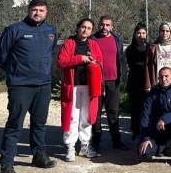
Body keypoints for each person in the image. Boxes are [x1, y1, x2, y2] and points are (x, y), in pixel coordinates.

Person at [0, 0, 58, 173]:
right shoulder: (14, 29)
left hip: (43, 85)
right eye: (34, 10)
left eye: (41, 10)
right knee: (15, 124)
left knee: (39, 123)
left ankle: (39, 156)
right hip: (20, 85)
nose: (37, 13)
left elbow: (51, 52)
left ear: (46, 12)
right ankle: (7, 163)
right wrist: (13, 71)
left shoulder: (51, 31)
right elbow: (0, 54)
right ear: (29, 10)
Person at [57, 18, 104, 161]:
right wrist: (79, 58)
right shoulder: (69, 43)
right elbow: (61, 61)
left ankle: (84, 146)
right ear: (78, 28)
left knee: (87, 117)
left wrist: (94, 62)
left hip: (90, 86)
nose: (85, 30)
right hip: (73, 86)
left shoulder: (93, 44)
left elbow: (100, 62)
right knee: (72, 117)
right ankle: (70, 147)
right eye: (83, 27)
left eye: (89, 28)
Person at [90, 15, 128, 155]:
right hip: (96, 81)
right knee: (96, 113)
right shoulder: (92, 40)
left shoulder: (117, 39)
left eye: (107, 25)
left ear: (112, 27)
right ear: (98, 25)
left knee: (113, 112)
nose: (104, 27)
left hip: (113, 81)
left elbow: (120, 60)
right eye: (102, 24)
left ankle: (116, 140)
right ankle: (95, 141)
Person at [139, 67, 171, 167]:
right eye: (161, 77)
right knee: (145, 153)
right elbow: (145, 115)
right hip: (159, 130)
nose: (164, 79)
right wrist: (145, 137)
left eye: (166, 76)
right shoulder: (153, 92)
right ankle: (164, 146)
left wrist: (164, 119)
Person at [145, 22, 171, 92]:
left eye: (167, 31)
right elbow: (147, 67)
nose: (164, 33)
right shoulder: (153, 48)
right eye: (162, 31)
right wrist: (147, 85)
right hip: (158, 82)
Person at [125, 23, 149, 143]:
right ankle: (136, 133)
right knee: (135, 110)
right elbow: (132, 64)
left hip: (147, 82)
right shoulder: (130, 49)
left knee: (147, 108)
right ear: (134, 34)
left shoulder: (150, 47)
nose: (141, 35)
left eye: (143, 33)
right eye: (139, 33)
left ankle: (146, 132)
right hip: (134, 83)